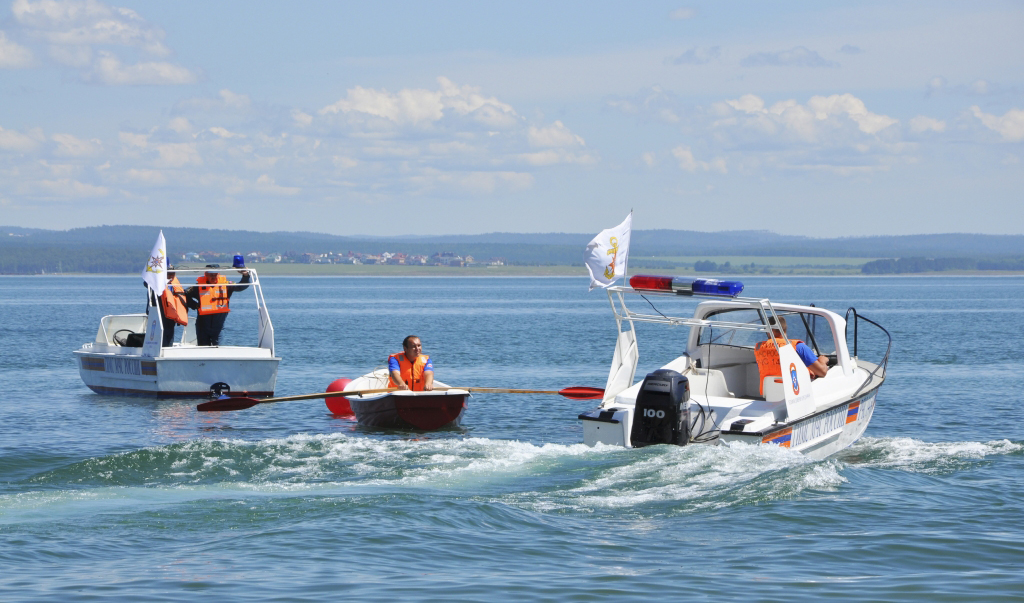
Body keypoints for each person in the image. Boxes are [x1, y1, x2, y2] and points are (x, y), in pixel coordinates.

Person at [754, 315, 829, 394]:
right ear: (785, 329)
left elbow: (771, 368)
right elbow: (822, 372)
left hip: (769, 395)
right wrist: (822, 360)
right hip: (795, 395)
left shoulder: (759, 348)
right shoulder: (798, 347)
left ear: (769, 331)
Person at [186, 266, 250, 346]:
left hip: (218, 327)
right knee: (203, 351)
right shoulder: (198, 287)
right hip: (202, 327)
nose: (213, 277)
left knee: (219, 350)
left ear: (218, 274)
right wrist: (194, 305)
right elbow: (184, 294)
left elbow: (241, 286)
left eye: (215, 275)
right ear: (206, 274)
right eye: (211, 275)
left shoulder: (226, 286)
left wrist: (246, 275)